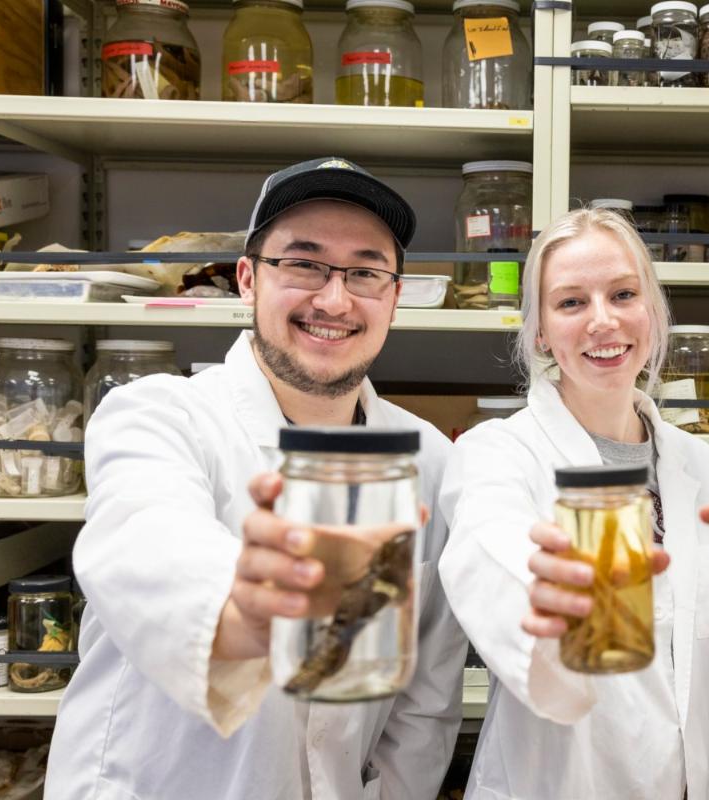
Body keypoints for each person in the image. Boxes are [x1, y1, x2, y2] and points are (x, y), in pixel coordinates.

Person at [47, 157, 466, 799]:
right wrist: (241, 611)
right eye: (303, 264)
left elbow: (425, 700)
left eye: (365, 272)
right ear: (248, 279)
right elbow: (143, 538)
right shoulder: (159, 414)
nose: (334, 298)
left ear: (394, 294)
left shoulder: (431, 462)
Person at [437, 208, 709, 799]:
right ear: (539, 332)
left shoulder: (699, 465)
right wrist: (551, 600)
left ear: (654, 314)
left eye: (623, 294)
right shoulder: (497, 457)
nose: (603, 321)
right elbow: (496, 569)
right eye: (571, 302)